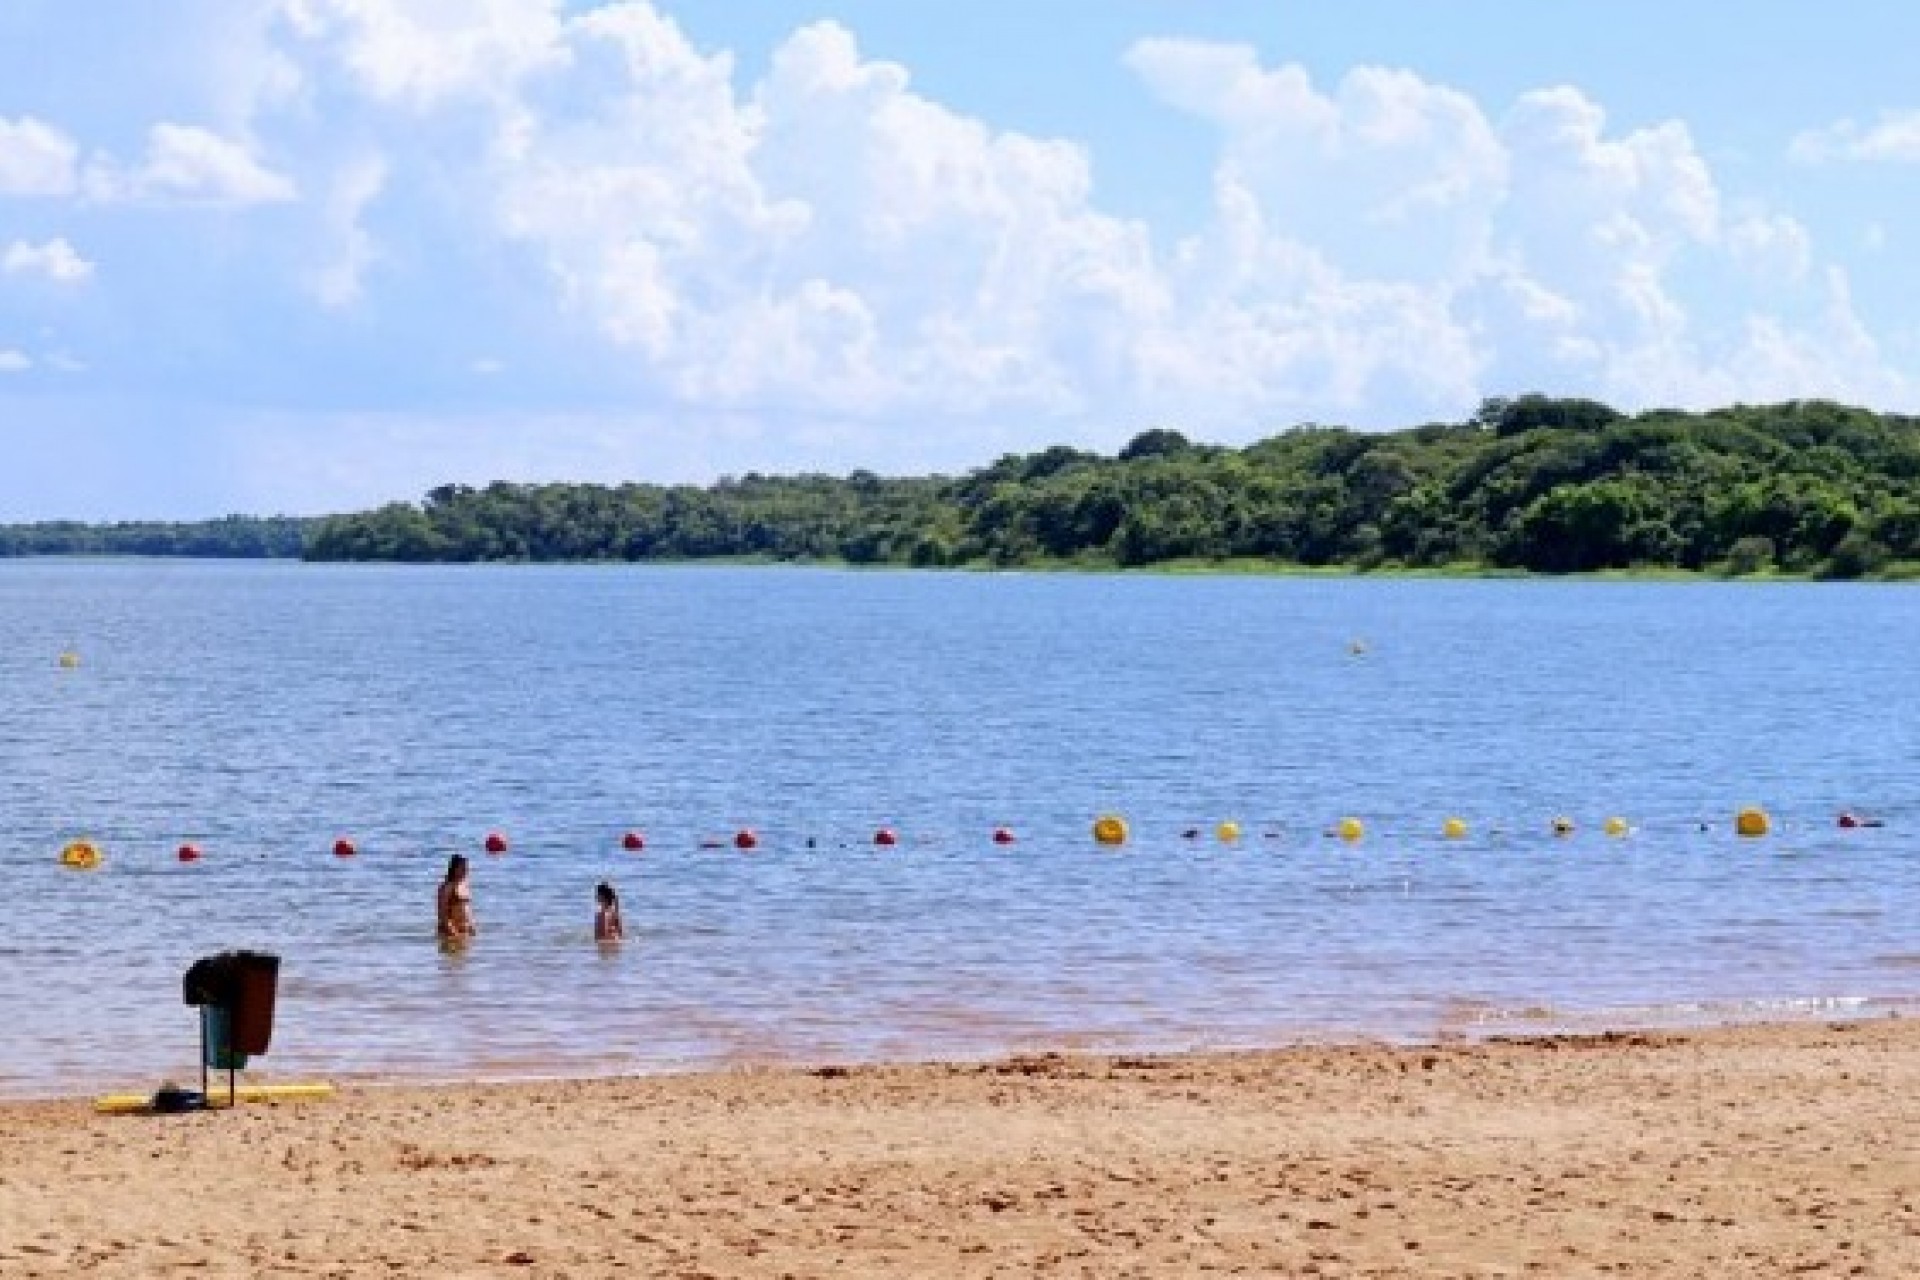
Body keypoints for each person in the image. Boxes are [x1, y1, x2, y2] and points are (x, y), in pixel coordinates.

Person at [437, 854, 477, 941]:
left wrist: (471, 926)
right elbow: (442, 915)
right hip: (450, 934)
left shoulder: (464, 885)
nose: (466, 870)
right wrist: (454, 933)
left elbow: (467, 909)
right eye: (462, 868)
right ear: (455, 869)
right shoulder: (447, 886)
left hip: (464, 932)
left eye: (467, 868)